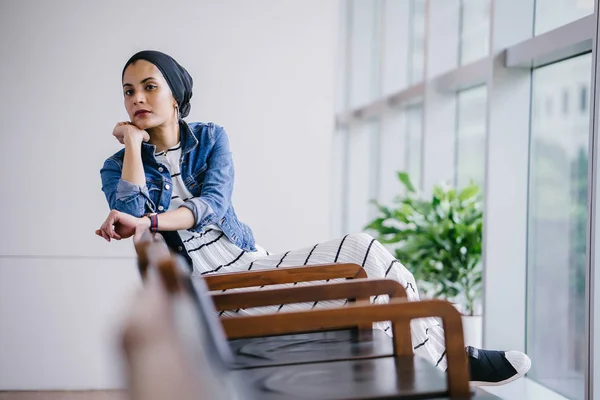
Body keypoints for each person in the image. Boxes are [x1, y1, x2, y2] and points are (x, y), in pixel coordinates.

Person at [97, 50, 531, 386]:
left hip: (245, 263)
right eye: (128, 91)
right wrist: (133, 146)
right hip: (210, 291)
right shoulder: (116, 166)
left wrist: (154, 221)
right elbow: (134, 220)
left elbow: (211, 204)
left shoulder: (211, 139)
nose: (136, 99)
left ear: (175, 95)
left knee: (364, 253)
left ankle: (439, 359)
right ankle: (454, 359)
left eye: (149, 87)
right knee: (365, 272)